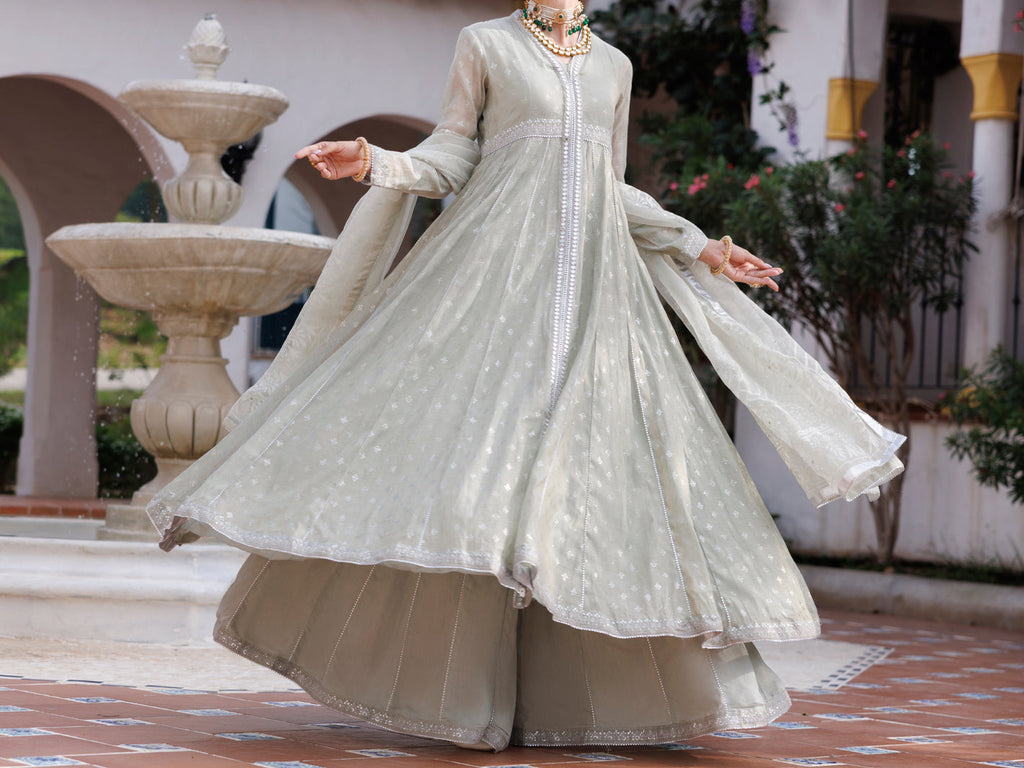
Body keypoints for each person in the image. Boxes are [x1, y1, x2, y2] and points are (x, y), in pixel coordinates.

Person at [150, 1, 904, 752]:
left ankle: (574, 695)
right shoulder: (485, 44)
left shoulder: (614, 65)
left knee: (597, 479)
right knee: (480, 480)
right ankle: (467, 695)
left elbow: (610, 186)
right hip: (495, 288)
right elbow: (454, 156)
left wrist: (699, 245)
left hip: (597, 303)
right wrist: (379, 163)